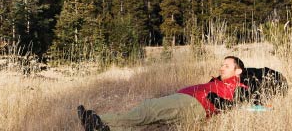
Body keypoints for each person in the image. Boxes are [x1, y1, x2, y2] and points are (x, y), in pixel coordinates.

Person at [77, 56, 250, 131]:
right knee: (150, 124)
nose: (221, 67)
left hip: (191, 103)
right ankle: (104, 128)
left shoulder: (239, 85)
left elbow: (246, 104)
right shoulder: (221, 82)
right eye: (222, 64)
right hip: (193, 108)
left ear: (238, 71)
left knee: (148, 109)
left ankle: (97, 119)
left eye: (227, 65)